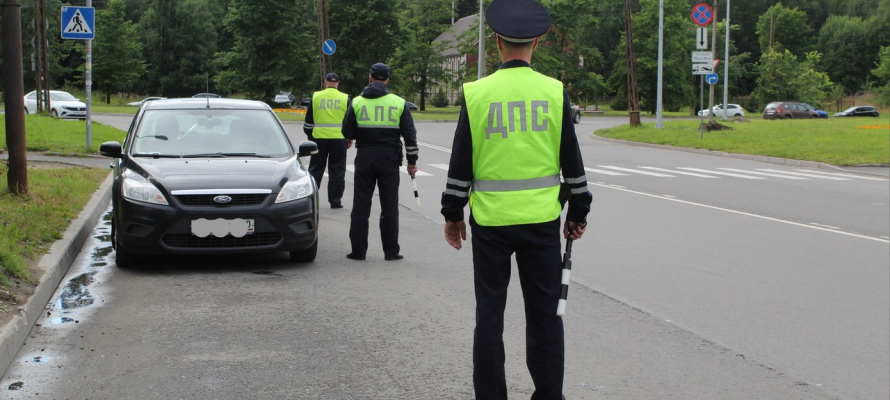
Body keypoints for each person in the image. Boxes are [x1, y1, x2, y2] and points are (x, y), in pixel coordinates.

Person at [440, 0, 592, 398]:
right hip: (541, 223)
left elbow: (461, 164)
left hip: (490, 224)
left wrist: (452, 214)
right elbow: (572, 162)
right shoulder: (554, 91)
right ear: (538, 43)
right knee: (544, 317)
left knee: (489, 316)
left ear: (496, 42)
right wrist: (579, 211)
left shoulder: (477, 93)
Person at [342, 63, 419, 261]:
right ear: (387, 80)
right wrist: (412, 161)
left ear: (369, 78)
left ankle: (358, 251)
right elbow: (410, 136)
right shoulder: (399, 103)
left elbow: (346, 131)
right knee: (390, 206)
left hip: (365, 157)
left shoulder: (357, 102)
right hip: (389, 159)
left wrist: (356, 135)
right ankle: (391, 251)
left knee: (361, 205)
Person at [303, 72, 352, 209]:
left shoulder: (316, 96)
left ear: (325, 82)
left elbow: (308, 122)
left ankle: (311, 200)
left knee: (315, 169)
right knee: (337, 170)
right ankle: (335, 202)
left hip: (319, 139)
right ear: (338, 83)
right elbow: (349, 122)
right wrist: (349, 138)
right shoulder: (345, 98)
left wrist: (310, 136)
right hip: (339, 139)